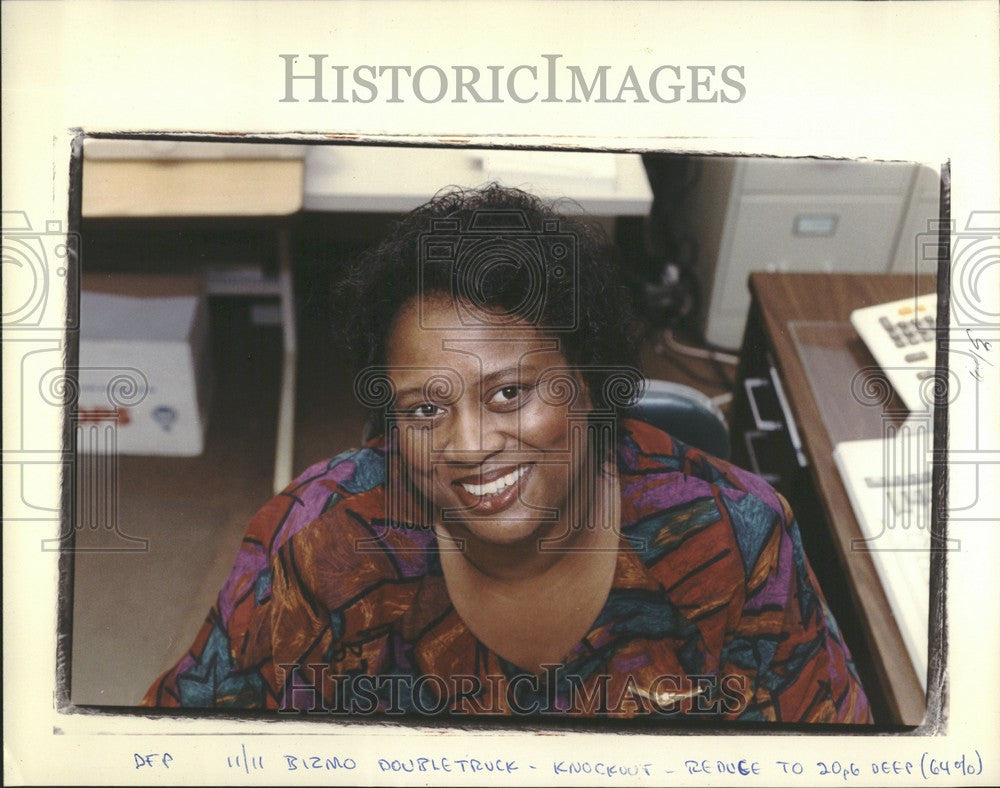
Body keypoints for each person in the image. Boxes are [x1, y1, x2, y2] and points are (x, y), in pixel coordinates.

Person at [143, 184, 871, 723]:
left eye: (510, 394)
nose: (467, 447)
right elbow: (174, 747)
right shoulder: (319, 545)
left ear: (591, 381)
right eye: (426, 409)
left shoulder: (735, 540)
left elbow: (823, 751)